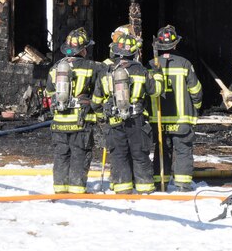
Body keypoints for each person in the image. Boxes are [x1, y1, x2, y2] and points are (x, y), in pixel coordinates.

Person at [92, 33, 160, 194]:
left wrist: (104, 116)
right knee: (139, 153)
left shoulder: (106, 71)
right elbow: (156, 91)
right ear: (134, 52)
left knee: (119, 155)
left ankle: (123, 189)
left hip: (114, 120)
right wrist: (157, 74)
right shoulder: (142, 70)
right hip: (136, 120)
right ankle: (144, 188)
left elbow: (96, 101)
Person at [45, 27, 102, 194]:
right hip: (81, 122)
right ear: (83, 49)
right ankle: (77, 189)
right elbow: (98, 90)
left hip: (59, 121)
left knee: (61, 155)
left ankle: (60, 188)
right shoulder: (92, 67)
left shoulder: (56, 68)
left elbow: (49, 92)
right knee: (80, 154)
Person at [148, 25, 203, 192]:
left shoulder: (151, 64)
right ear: (175, 45)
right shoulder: (185, 64)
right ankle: (183, 185)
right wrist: (197, 108)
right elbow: (196, 91)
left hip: (159, 120)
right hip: (182, 119)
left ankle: (159, 182)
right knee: (183, 151)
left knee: (161, 151)